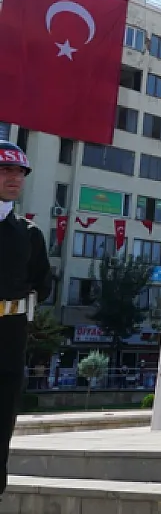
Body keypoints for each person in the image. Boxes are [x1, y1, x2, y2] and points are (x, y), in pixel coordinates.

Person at [0, 141, 52, 503]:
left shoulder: (29, 233)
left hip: (8, 341)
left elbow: (42, 284)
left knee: (1, 426)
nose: (14, 178)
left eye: (19, 172)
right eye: (5, 170)